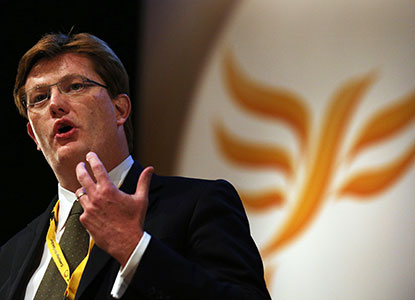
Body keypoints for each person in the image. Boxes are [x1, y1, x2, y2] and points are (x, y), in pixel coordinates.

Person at [0, 32, 271, 300]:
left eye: (75, 86)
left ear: (120, 110)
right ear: (34, 136)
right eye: (39, 98)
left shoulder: (198, 206)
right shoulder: (12, 254)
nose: (55, 104)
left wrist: (135, 249)